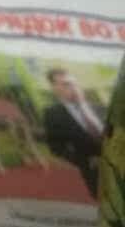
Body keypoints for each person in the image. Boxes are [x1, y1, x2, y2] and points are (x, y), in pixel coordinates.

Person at [43, 67, 106, 198]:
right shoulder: (53, 115)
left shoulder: (101, 108)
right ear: (55, 89)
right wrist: (84, 161)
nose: (73, 87)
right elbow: (56, 147)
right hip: (96, 171)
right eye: (66, 84)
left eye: (74, 83)